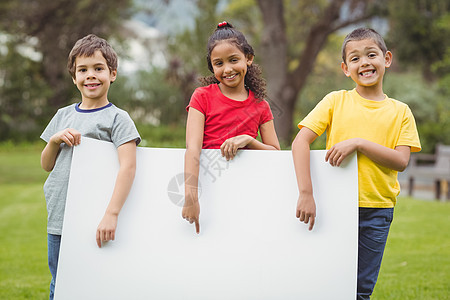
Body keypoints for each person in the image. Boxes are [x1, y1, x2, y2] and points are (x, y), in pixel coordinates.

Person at [291, 28, 421, 299]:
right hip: (335, 206)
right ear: (345, 68)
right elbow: (300, 142)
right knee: (327, 282)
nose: (364, 62)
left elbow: (401, 161)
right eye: (355, 58)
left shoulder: (401, 111)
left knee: (361, 289)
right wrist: (306, 193)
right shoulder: (335, 101)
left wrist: (359, 143)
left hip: (377, 211)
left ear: (386, 59)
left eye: (371, 55)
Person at [40, 34, 141, 300]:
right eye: (83, 70)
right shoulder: (62, 116)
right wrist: (54, 140)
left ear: (113, 74)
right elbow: (46, 164)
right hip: (60, 217)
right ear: (74, 77)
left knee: (97, 283)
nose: (91, 76)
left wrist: (112, 214)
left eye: (98, 68)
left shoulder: (118, 118)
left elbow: (128, 167)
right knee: (60, 282)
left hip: (95, 216)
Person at [182, 21, 280, 234]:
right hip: (209, 190)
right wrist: (191, 195)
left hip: (246, 193)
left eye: (233, 60)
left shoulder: (261, 106)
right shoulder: (202, 97)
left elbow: (276, 154)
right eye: (219, 63)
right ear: (212, 66)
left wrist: (249, 140)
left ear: (249, 58)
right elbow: (192, 148)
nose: (227, 69)